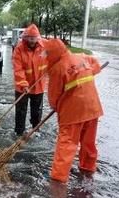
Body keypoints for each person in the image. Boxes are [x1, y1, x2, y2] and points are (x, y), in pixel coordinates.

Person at [44, 39, 103, 183]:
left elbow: (54, 97)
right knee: (88, 142)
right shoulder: (81, 57)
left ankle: (58, 179)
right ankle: (88, 168)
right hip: (92, 108)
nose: (45, 56)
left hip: (73, 113)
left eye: (47, 53)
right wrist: (86, 73)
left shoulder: (57, 69)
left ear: (53, 53)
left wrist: (56, 106)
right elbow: (96, 65)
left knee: (67, 144)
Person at [12, 23, 48, 136]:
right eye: (30, 38)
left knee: (37, 110)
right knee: (21, 110)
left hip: (39, 85)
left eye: (34, 38)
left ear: (38, 38)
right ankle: (19, 132)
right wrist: (24, 84)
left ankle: (35, 130)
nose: (32, 41)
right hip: (22, 86)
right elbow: (18, 69)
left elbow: (52, 59)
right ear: (25, 38)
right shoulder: (19, 49)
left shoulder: (45, 47)